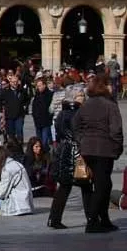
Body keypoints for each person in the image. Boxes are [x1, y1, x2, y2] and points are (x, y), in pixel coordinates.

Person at [73, 74, 123, 233]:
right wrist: (117, 147)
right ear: (104, 86)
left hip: (87, 149)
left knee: (104, 184)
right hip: (104, 150)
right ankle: (93, 221)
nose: (112, 87)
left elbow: (75, 124)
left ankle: (105, 219)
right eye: (109, 84)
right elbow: (116, 130)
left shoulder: (86, 105)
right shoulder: (110, 105)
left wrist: (81, 140)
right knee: (102, 186)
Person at [48, 89, 90, 229]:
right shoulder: (78, 114)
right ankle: (91, 217)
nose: (83, 98)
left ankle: (54, 218)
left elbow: (59, 133)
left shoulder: (61, 114)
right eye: (80, 96)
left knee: (65, 187)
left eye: (83, 96)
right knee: (86, 186)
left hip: (64, 151)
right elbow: (80, 134)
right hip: (77, 154)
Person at [0, 146, 33, 216]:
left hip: (15, 206)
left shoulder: (7, 169)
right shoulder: (18, 164)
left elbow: (1, 194)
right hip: (27, 205)